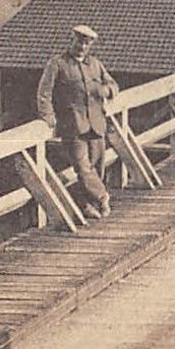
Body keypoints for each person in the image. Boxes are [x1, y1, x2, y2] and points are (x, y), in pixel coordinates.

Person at [37, 24, 119, 222]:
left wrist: (106, 91)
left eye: (86, 43)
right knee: (83, 168)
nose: (82, 46)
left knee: (97, 166)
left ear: (90, 46)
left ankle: (88, 206)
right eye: (79, 41)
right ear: (71, 40)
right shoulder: (57, 64)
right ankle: (103, 196)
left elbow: (113, 85)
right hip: (73, 125)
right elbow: (44, 93)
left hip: (97, 123)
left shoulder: (95, 65)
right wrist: (47, 115)